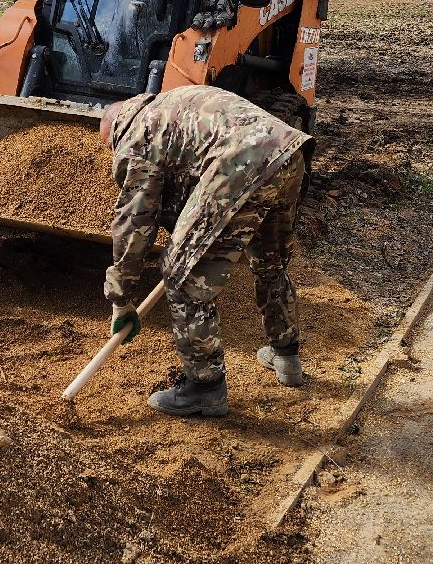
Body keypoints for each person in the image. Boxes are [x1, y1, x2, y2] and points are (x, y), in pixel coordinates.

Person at [99, 86, 313, 417]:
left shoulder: (136, 135)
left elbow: (135, 223)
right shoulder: (173, 104)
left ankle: (204, 387)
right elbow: (187, 186)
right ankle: (286, 355)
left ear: (115, 130)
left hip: (241, 163)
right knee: (269, 261)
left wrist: (121, 298)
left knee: (181, 274)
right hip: (287, 152)